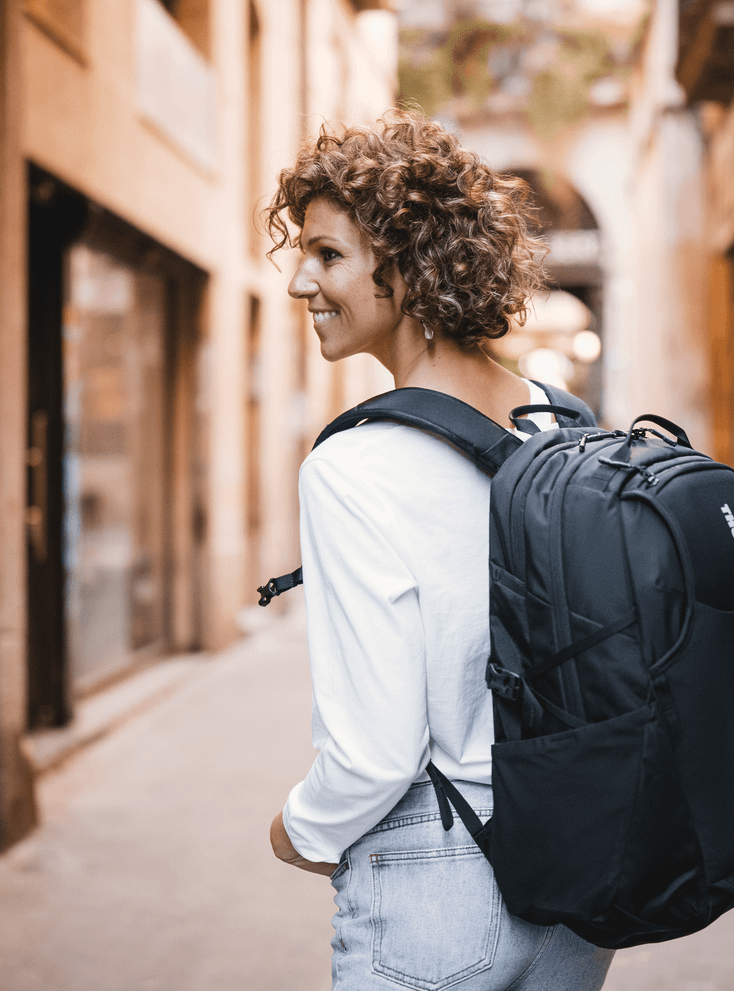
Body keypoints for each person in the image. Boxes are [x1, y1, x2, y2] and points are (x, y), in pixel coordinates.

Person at [266, 109, 614, 991]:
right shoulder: (558, 419)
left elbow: (377, 751)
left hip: (435, 874)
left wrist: (300, 829)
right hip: (579, 869)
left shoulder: (355, 463)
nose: (300, 281)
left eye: (328, 254)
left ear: (410, 266)